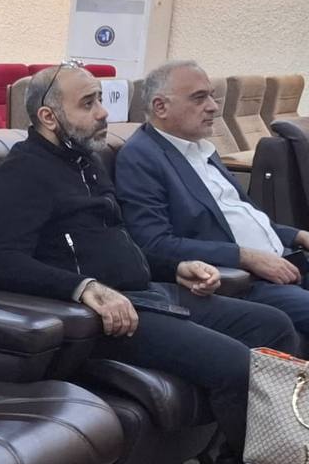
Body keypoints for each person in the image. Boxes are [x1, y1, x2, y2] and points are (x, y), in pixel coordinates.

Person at [0, 64, 297, 464]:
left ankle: (265, 457)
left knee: (273, 326)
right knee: (238, 364)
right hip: (101, 317)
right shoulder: (20, 174)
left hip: (147, 292)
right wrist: (84, 288)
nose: (103, 113)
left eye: (100, 100)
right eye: (88, 103)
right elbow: (3, 262)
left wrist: (177, 266)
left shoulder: (85, 161)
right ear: (48, 116)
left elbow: (119, 246)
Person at [116, 60, 309, 346]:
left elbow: (240, 214)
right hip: (243, 281)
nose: (213, 107)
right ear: (160, 107)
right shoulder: (141, 158)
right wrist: (245, 257)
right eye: (199, 98)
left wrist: (297, 235)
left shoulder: (201, 149)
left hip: (286, 259)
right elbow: (154, 243)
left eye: (211, 96)